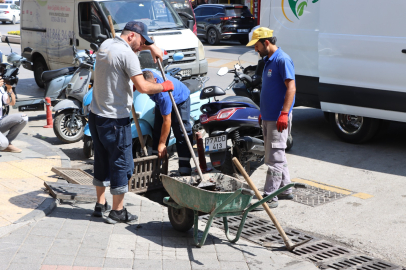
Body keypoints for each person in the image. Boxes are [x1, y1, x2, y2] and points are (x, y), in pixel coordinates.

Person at [88, 21, 174, 224]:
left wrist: (151, 46)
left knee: (100, 160)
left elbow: (123, 67)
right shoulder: (127, 54)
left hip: (96, 115)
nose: (141, 47)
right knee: (121, 164)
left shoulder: (107, 45)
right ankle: (117, 211)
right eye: (141, 42)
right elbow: (143, 87)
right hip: (115, 120)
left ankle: (100, 205)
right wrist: (164, 87)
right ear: (131, 37)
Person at [247, 27, 296, 208]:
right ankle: (285, 189)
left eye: (257, 45)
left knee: (274, 159)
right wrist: (263, 111)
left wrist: (284, 113)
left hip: (278, 118)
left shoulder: (282, 60)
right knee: (277, 155)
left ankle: (269, 196)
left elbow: (291, 88)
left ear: (266, 42)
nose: (255, 49)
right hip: (269, 116)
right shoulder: (268, 60)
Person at [141, 70, 193, 176]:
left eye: (150, 89)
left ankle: (184, 167)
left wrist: (162, 144)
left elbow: (167, 121)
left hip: (180, 99)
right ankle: (156, 166)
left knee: (181, 131)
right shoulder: (141, 76)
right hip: (161, 101)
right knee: (158, 131)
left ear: (155, 81)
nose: (148, 92)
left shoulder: (162, 95)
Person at [0, 77, 28, 153]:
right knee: (2, 144)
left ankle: (8, 143)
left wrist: (10, 91)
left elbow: (11, 103)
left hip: (1, 121)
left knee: (23, 118)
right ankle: (4, 144)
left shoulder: (1, 89)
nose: (1, 80)